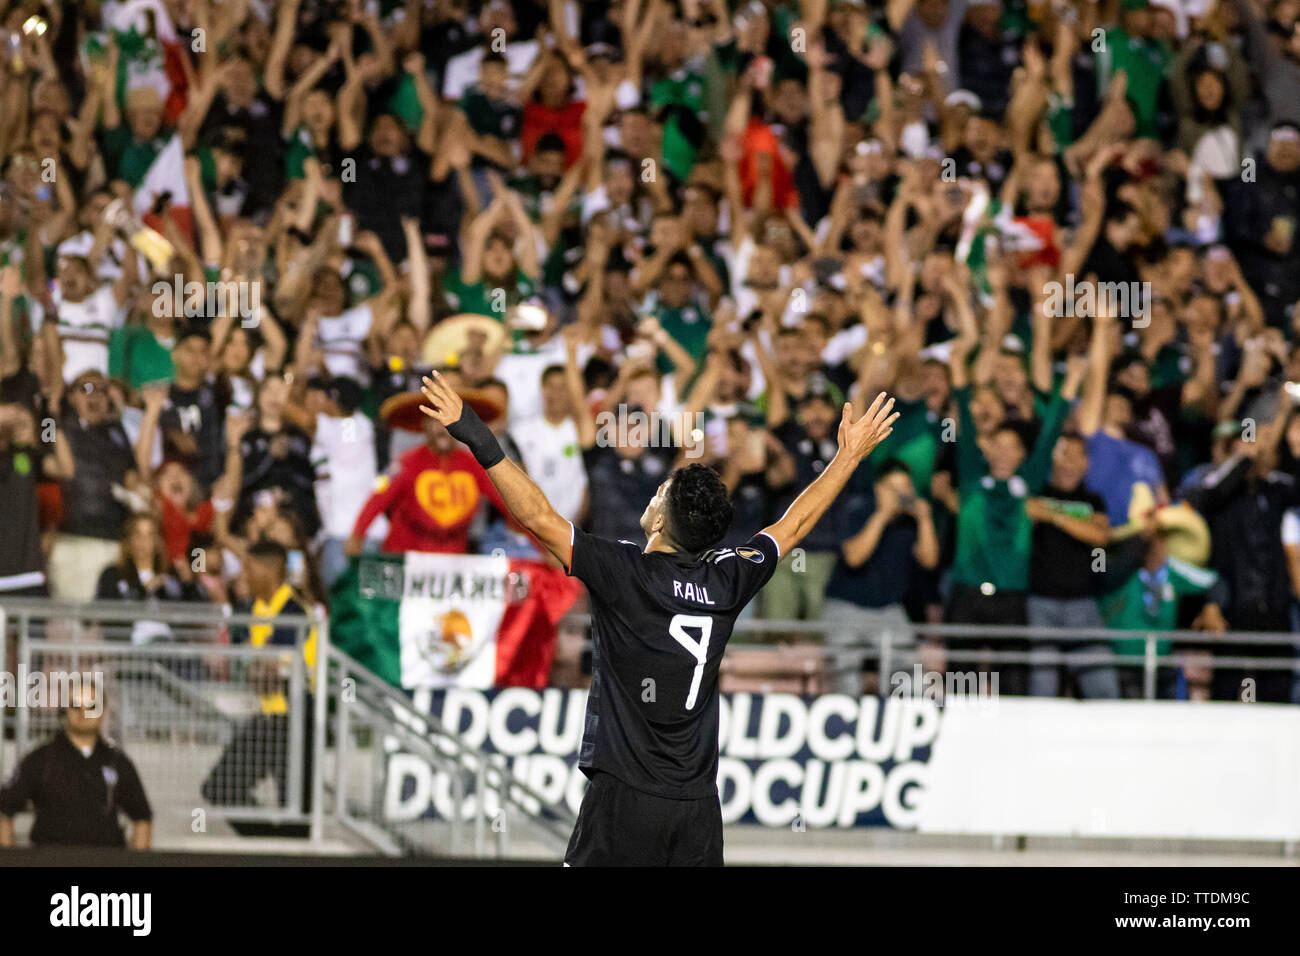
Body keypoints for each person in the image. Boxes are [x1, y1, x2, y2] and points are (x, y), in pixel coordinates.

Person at [418, 370, 898, 866]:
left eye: (661, 491)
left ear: (662, 518)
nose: (654, 492)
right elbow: (792, 525)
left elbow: (538, 517)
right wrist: (847, 457)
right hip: (696, 807)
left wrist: (472, 429)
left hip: (626, 797)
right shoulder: (729, 579)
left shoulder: (626, 573)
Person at [0, 686, 152, 849]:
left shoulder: (119, 763)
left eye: (92, 706)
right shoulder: (40, 760)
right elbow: (4, 809)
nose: (83, 713)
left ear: (104, 710)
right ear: (65, 710)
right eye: (75, 705)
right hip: (50, 861)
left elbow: (142, 817)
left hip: (106, 862)